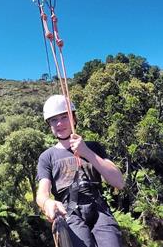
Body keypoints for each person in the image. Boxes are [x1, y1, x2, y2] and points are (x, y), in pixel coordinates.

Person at [36, 95, 124, 247]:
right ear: (49, 125)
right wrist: (47, 203)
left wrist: (87, 152)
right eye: (53, 120)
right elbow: (42, 192)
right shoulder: (47, 157)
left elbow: (119, 182)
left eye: (64, 117)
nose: (59, 123)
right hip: (69, 212)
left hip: (99, 209)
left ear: (74, 118)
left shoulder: (93, 147)